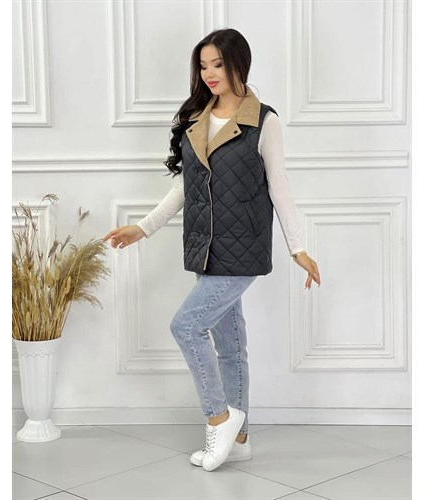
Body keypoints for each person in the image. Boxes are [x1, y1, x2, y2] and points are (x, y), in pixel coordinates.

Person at [103, 28, 321, 472]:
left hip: (244, 250)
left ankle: (219, 419)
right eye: (203, 66)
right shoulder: (197, 118)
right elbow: (185, 188)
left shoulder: (264, 121)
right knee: (230, 344)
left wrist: (298, 248)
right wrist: (142, 228)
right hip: (206, 248)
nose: (209, 74)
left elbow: (279, 186)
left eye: (218, 64)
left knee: (186, 326)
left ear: (239, 63)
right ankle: (239, 440)